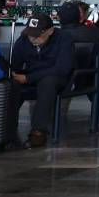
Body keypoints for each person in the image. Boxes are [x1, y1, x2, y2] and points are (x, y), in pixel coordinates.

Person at [10, 15, 74, 150]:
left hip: (57, 78)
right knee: (12, 85)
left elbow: (62, 69)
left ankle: (38, 132)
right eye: (30, 35)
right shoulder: (24, 40)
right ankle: (7, 129)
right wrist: (13, 74)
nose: (33, 39)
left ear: (50, 31)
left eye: (38, 35)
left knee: (47, 83)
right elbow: (15, 64)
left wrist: (28, 79)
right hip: (32, 77)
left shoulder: (64, 39)